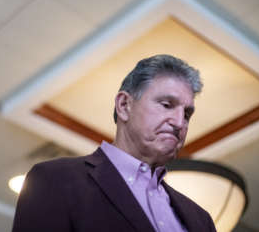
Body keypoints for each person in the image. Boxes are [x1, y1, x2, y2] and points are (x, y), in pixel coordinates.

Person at [12, 54, 216, 232]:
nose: (179, 123)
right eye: (166, 105)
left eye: (187, 114)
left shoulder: (201, 220)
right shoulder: (55, 179)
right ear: (124, 105)